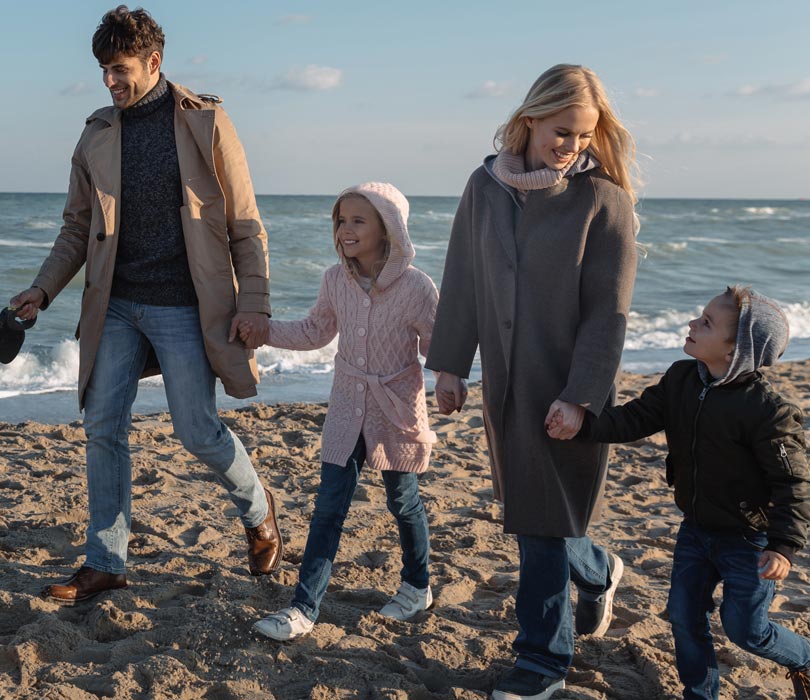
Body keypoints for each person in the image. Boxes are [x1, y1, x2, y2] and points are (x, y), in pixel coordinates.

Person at [8, 5, 279, 605]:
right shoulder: (97, 133)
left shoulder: (206, 123)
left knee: (197, 429)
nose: (111, 81)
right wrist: (41, 289)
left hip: (187, 305)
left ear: (154, 63)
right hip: (118, 305)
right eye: (105, 70)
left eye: (121, 68)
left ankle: (258, 507)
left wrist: (253, 303)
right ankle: (106, 561)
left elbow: (246, 225)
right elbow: (77, 229)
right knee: (102, 424)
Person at [426, 64, 640, 700]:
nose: (571, 146)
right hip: (505, 385)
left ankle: (543, 661)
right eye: (562, 130)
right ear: (531, 117)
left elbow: (610, 312)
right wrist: (449, 367)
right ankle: (598, 570)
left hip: (568, 385)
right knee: (533, 514)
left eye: (583, 136)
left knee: (543, 521)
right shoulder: (484, 186)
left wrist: (580, 398)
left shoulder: (603, 201)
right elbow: (463, 278)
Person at [548, 287, 810, 700]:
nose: (692, 324)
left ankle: (804, 658)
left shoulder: (767, 411)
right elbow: (634, 419)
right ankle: (699, 693)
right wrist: (584, 423)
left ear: (735, 350)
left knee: (747, 631)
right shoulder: (680, 379)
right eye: (699, 317)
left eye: (707, 323)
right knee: (685, 618)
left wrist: (784, 545)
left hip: (749, 540)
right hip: (697, 529)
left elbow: (793, 483)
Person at [242, 183, 440, 641]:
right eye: (340, 220)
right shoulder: (335, 279)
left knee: (403, 501)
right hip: (347, 404)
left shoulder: (417, 287)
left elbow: (438, 348)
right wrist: (264, 330)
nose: (345, 229)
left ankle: (416, 586)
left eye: (358, 220)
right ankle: (303, 608)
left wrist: (452, 375)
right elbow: (315, 331)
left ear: (387, 227)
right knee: (329, 507)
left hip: (395, 409)